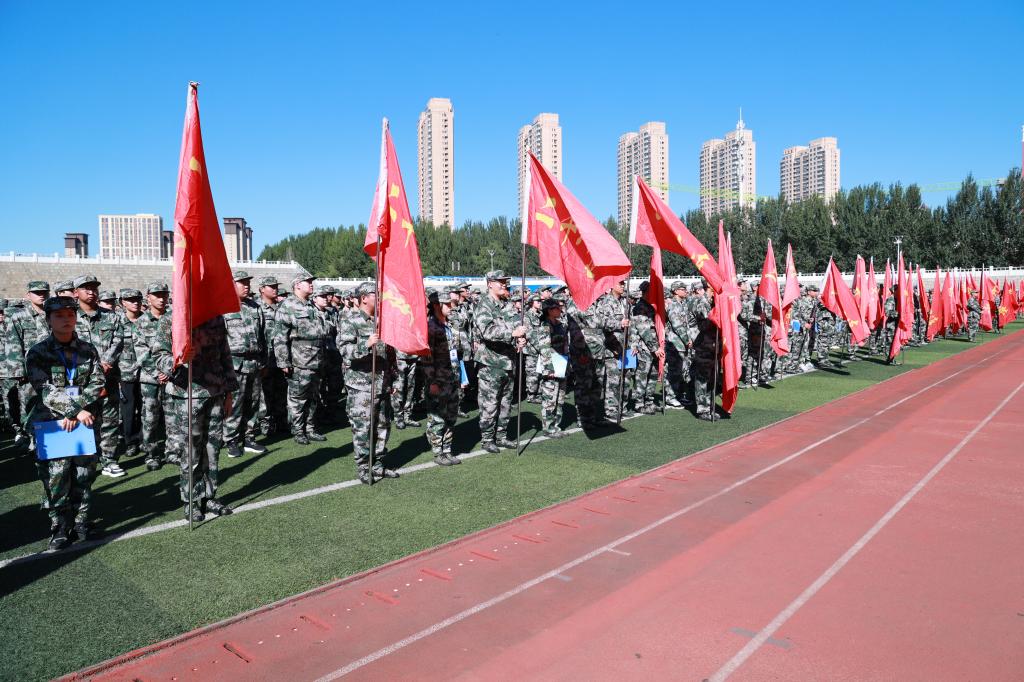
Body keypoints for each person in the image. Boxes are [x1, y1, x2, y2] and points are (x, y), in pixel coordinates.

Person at [25, 296, 105, 549]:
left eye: (70, 315)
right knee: (56, 476)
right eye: (59, 316)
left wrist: (77, 411)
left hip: (83, 422)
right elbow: (44, 388)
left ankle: (81, 522)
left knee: (84, 473)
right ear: (48, 320)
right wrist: (72, 412)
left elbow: (97, 382)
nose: (66, 320)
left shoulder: (88, 349)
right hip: (53, 424)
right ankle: (59, 525)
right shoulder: (38, 352)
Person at [153, 313, 238, 521]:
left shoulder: (215, 318)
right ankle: (191, 500)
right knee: (190, 451)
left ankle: (209, 497)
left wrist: (229, 391)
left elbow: (225, 354)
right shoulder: (172, 318)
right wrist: (178, 360)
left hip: (215, 391)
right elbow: (158, 355)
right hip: (187, 393)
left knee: (212, 449)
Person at [337, 281, 399, 483]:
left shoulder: (382, 322)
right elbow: (345, 351)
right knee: (363, 428)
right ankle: (364, 467)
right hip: (361, 385)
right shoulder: (351, 320)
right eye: (375, 294)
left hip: (382, 383)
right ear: (364, 298)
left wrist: (393, 378)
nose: (379, 298)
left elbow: (389, 353)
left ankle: (378, 464)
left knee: (382, 426)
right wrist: (365, 344)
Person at [72, 275, 125, 477]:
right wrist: (93, 368)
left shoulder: (112, 317)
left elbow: (118, 342)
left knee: (110, 420)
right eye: (85, 288)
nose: (91, 292)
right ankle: (87, 459)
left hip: (109, 377)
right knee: (85, 419)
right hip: (81, 381)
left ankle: (109, 459)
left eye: (94, 288)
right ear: (76, 292)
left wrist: (105, 364)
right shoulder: (70, 316)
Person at [472, 271, 527, 453]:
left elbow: (517, 327)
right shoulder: (484, 305)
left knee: (506, 403)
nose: (504, 284)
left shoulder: (507, 304)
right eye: (500, 281)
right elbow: (487, 331)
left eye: (505, 281)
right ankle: (487, 439)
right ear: (490, 283)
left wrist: (520, 340)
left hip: (508, 362)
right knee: (490, 404)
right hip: (491, 364)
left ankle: (501, 436)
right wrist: (512, 334)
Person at [274, 273, 327, 445]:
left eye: (311, 282)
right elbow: (280, 337)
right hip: (299, 361)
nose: (311, 285)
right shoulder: (287, 305)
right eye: (308, 282)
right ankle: (298, 430)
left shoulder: (311, 305)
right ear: (297, 285)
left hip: (317, 359)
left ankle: (310, 429)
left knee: (313, 397)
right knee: (298, 398)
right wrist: (283, 361)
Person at [222, 271, 267, 459]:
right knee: (235, 404)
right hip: (234, 363)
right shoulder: (224, 307)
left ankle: (249, 437)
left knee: (253, 402)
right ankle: (231, 440)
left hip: (254, 362)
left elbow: (263, 336)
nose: (246, 286)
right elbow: (220, 339)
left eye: (248, 282)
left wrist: (263, 361)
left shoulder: (255, 307)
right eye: (242, 282)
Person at [422, 288, 462, 465]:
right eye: (447, 304)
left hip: (451, 377)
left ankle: (447, 449)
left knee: (451, 416)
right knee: (437, 418)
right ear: (436, 306)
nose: (450, 307)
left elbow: (456, 353)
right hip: (438, 379)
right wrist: (432, 381)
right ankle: (438, 452)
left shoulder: (448, 325)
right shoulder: (430, 327)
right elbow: (426, 357)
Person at [135, 282, 172, 470]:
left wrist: (170, 371)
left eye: (164, 294)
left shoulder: (175, 318)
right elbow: (141, 352)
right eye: (157, 295)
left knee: (173, 417)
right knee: (150, 418)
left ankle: (173, 451)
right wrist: (158, 373)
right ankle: (151, 454)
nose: (161, 298)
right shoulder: (141, 322)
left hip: (173, 377)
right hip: (150, 380)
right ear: (148, 298)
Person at [533, 297, 570, 437]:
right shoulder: (544, 326)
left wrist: (567, 363)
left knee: (560, 398)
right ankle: (548, 427)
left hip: (562, 363)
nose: (560, 310)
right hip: (551, 364)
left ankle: (556, 426)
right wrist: (549, 368)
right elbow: (544, 348)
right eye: (557, 308)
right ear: (549, 310)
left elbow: (565, 344)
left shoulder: (561, 324)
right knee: (550, 398)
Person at [256, 275, 288, 435]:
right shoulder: (257, 308)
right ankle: (266, 424)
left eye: (276, 286)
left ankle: (281, 422)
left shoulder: (281, 308)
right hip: (266, 358)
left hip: (281, 358)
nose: (275, 289)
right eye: (271, 286)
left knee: (281, 391)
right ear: (262, 289)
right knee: (265, 394)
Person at [116, 289, 144, 460]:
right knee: (128, 410)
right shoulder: (117, 321)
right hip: (125, 373)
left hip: (146, 372)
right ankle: (130, 442)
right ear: (123, 302)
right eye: (131, 300)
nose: (135, 303)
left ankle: (143, 439)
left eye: (138, 300)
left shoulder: (147, 320)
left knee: (146, 408)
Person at [664, 281, 692, 408]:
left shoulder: (682, 304)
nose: (685, 290)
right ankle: (670, 397)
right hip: (675, 344)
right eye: (683, 288)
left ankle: (679, 395)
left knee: (682, 371)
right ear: (675, 291)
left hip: (682, 344)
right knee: (674, 371)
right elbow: (677, 325)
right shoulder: (673, 305)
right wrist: (687, 340)